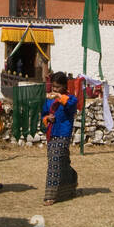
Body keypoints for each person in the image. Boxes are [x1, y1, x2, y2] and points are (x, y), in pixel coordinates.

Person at [42, 70, 80, 204]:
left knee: (55, 161)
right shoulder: (48, 100)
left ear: (64, 87)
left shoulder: (71, 99)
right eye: (53, 86)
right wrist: (48, 118)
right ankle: (71, 179)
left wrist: (59, 96)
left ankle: (50, 195)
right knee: (61, 161)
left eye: (58, 87)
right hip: (52, 133)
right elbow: (44, 114)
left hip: (63, 133)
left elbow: (70, 106)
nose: (55, 89)